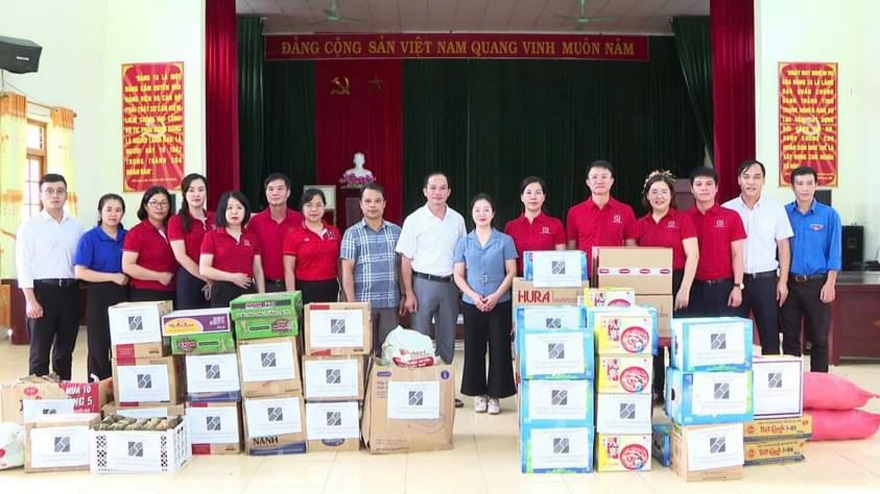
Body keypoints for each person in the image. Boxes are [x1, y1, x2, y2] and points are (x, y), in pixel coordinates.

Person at [625, 170, 698, 405]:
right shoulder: (638, 224)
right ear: (647, 196)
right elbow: (631, 255)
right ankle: (656, 389)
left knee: (676, 341)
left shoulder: (682, 220)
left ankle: (677, 391)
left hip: (678, 282)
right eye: (654, 192)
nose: (659, 196)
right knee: (652, 339)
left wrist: (685, 288)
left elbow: (693, 255)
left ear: (671, 195)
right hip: (649, 284)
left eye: (663, 192)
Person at [396, 172, 467, 407]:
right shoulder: (414, 220)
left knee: (447, 339)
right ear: (425, 191)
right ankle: (421, 389)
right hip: (422, 284)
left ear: (449, 192)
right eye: (433, 188)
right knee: (421, 339)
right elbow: (405, 260)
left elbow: (462, 255)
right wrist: (409, 292)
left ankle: (445, 391)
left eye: (442, 188)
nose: (437, 192)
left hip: (449, 286)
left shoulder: (457, 220)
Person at [15, 173, 85, 380]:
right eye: (49, 191)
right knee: (39, 352)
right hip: (41, 292)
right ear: (40, 195)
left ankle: (63, 396)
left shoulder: (77, 226)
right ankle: (38, 401)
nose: (55, 195)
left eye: (60, 191)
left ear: (66, 195)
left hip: (70, 291)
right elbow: (23, 265)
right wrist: (30, 300)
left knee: (65, 351)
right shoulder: (29, 226)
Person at [453, 194, 518, 415]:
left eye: (486, 209)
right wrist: (473, 296)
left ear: (493, 213)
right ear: (471, 214)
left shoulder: (505, 240)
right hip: (472, 303)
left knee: (499, 348)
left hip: (499, 302)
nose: (481, 213)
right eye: (477, 209)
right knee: (474, 348)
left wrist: (496, 296)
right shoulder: (464, 242)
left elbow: (511, 272)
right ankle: (479, 394)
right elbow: (458, 275)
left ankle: (496, 396)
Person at [722, 160, 794, 355]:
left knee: (770, 336)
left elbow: (784, 246)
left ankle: (770, 383)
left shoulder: (775, 208)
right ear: (739, 180)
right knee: (734, 337)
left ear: (763, 180)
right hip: (735, 282)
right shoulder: (727, 209)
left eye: (756, 177)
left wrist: (783, 281)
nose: (751, 182)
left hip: (766, 281)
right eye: (746, 177)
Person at [780, 166, 841, 372]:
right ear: (792, 187)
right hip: (790, 284)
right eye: (799, 183)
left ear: (816, 185)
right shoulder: (783, 214)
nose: (804, 188)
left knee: (820, 339)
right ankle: (791, 385)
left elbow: (835, 252)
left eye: (809, 183)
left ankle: (820, 387)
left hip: (818, 284)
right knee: (790, 338)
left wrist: (830, 283)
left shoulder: (829, 215)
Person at [340, 182, 402, 354]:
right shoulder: (352, 234)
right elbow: (347, 271)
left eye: (377, 201)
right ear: (361, 204)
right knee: (365, 352)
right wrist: (352, 304)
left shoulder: (396, 232)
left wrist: (405, 294)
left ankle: (385, 382)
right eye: (368, 201)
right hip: (364, 303)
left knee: (390, 352)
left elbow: (401, 266)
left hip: (390, 302)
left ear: (384, 204)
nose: (372, 205)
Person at [74, 194, 129, 381]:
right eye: (108, 209)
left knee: (123, 344)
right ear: (100, 212)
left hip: (125, 295)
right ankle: (99, 390)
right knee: (98, 344)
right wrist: (112, 277)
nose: (113, 214)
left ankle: (123, 389)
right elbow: (80, 272)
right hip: (98, 295)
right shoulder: (89, 238)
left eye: (118, 210)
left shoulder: (128, 237)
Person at [683, 167, 746, 317]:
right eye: (698, 184)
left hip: (723, 288)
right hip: (693, 287)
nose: (704, 188)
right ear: (691, 189)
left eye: (709, 184)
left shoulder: (731, 217)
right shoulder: (684, 218)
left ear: (716, 188)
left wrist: (737, 286)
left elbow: (737, 254)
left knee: (722, 336)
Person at [200, 191, 265, 308]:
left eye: (239, 207)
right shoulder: (211, 236)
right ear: (223, 211)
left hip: (247, 291)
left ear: (245, 211)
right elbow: (204, 269)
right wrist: (233, 277)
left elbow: (258, 271)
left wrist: (262, 298)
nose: (234, 212)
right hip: (221, 292)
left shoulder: (251, 237)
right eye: (229, 208)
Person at [566, 160, 636, 262]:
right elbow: (571, 248)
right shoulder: (574, 212)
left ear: (611, 181)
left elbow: (630, 247)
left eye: (604, 177)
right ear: (588, 182)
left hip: (615, 273)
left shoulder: (625, 211)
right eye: (594, 177)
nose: (599, 181)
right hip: (585, 274)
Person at [283, 188, 341, 303]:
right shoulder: (294, 234)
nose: (314, 209)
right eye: (309, 205)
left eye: (319, 205)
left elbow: (339, 264)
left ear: (324, 207)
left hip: (330, 287)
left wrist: (343, 289)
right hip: (305, 288)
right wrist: (292, 297)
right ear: (302, 208)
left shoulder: (334, 232)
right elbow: (288, 269)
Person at [249, 173, 304, 292]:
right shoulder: (255, 222)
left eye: (280, 189)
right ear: (266, 193)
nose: (275, 193)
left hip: (297, 284)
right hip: (266, 286)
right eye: (271, 189)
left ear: (288, 192)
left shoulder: (299, 219)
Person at [122, 186, 177, 302]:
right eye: (154, 203)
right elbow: (127, 266)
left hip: (174, 291)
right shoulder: (136, 233)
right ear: (145, 206)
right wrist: (159, 276)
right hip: (146, 293)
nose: (159, 207)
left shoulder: (173, 229)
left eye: (164, 203)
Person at [168, 173, 215, 309]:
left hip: (216, 278)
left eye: (201, 190)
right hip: (190, 278)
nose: (196, 194)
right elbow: (181, 256)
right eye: (191, 190)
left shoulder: (215, 218)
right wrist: (207, 278)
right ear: (184, 193)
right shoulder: (176, 221)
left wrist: (215, 279)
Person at [503, 176, 566, 276]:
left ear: (544, 197)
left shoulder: (555, 224)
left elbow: (561, 258)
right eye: (528, 193)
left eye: (538, 192)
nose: (533, 197)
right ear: (522, 197)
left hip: (548, 281)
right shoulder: (511, 227)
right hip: (519, 282)